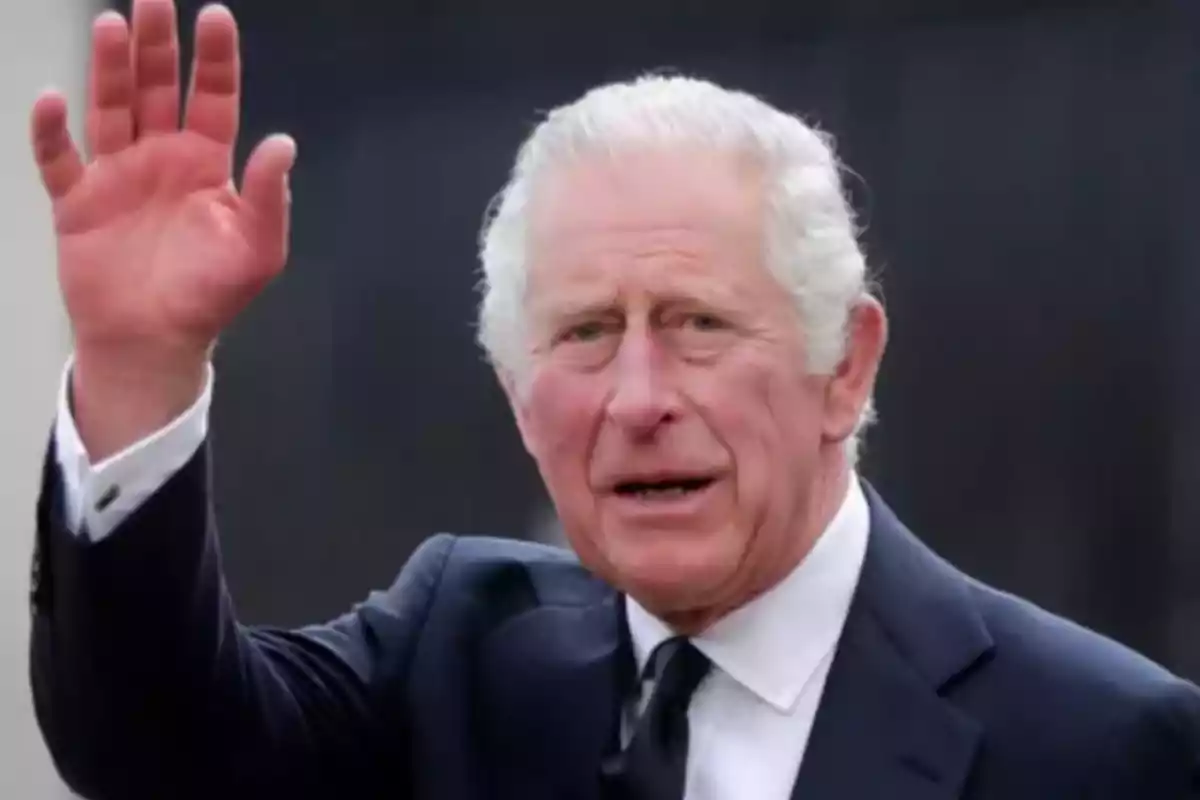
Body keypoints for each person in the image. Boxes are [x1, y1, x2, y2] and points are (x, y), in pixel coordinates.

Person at [26, 1, 1200, 798]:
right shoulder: (459, 653)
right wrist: (139, 368)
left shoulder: (1104, 742)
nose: (639, 398)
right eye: (586, 333)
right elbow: (157, 749)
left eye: (696, 324)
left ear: (845, 363)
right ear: (518, 397)